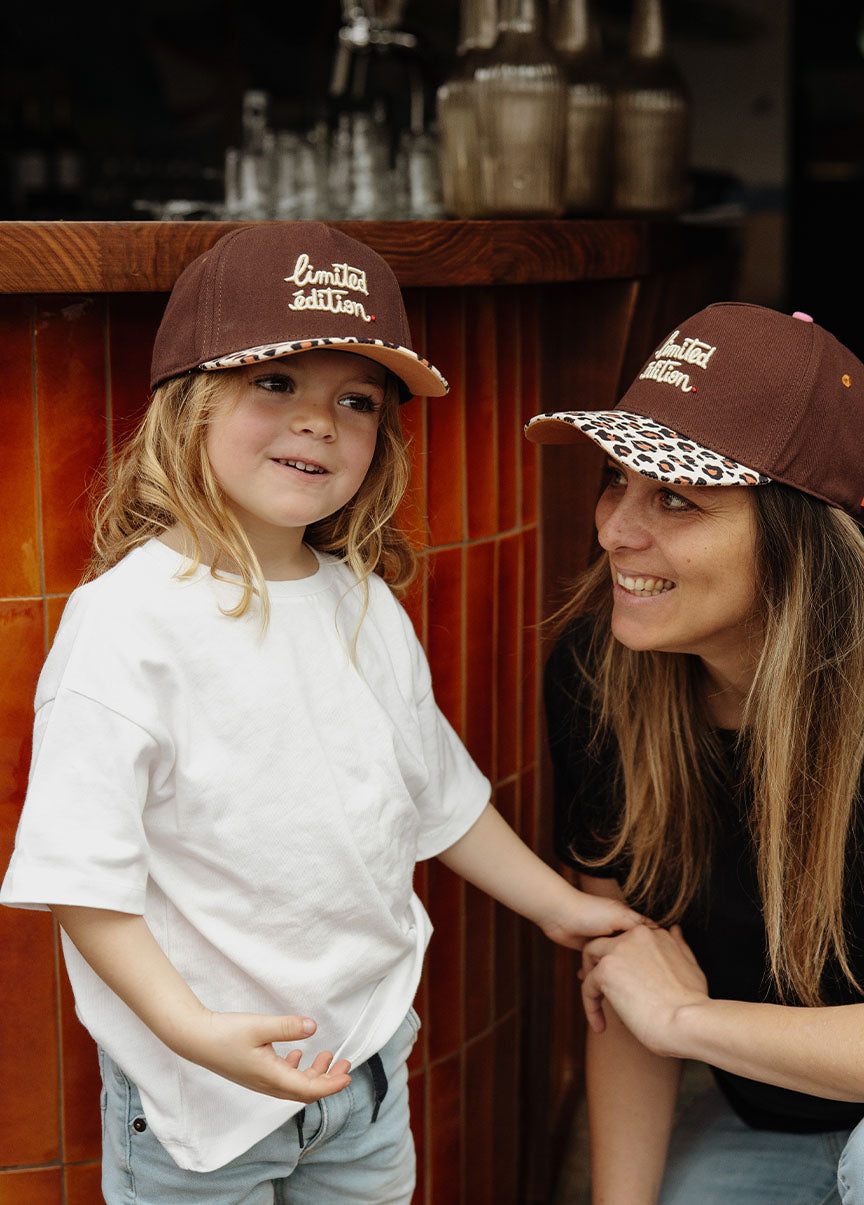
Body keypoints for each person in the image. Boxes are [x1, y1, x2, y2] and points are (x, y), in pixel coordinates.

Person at [0, 221, 642, 1204]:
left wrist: (563, 906)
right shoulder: (126, 624)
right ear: (189, 402)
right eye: (276, 382)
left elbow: (440, 797)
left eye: (356, 400)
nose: (319, 421)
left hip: (363, 1066)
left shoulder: (363, 604)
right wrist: (187, 1027)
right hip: (198, 1097)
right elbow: (83, 878)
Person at [524, 302, 864, 1205]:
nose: (614, 532)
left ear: (798, 536)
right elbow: (629, 988)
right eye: (615, 480)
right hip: (772, 1119)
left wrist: (691, 1019)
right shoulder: (603, 673)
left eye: (675, 496)